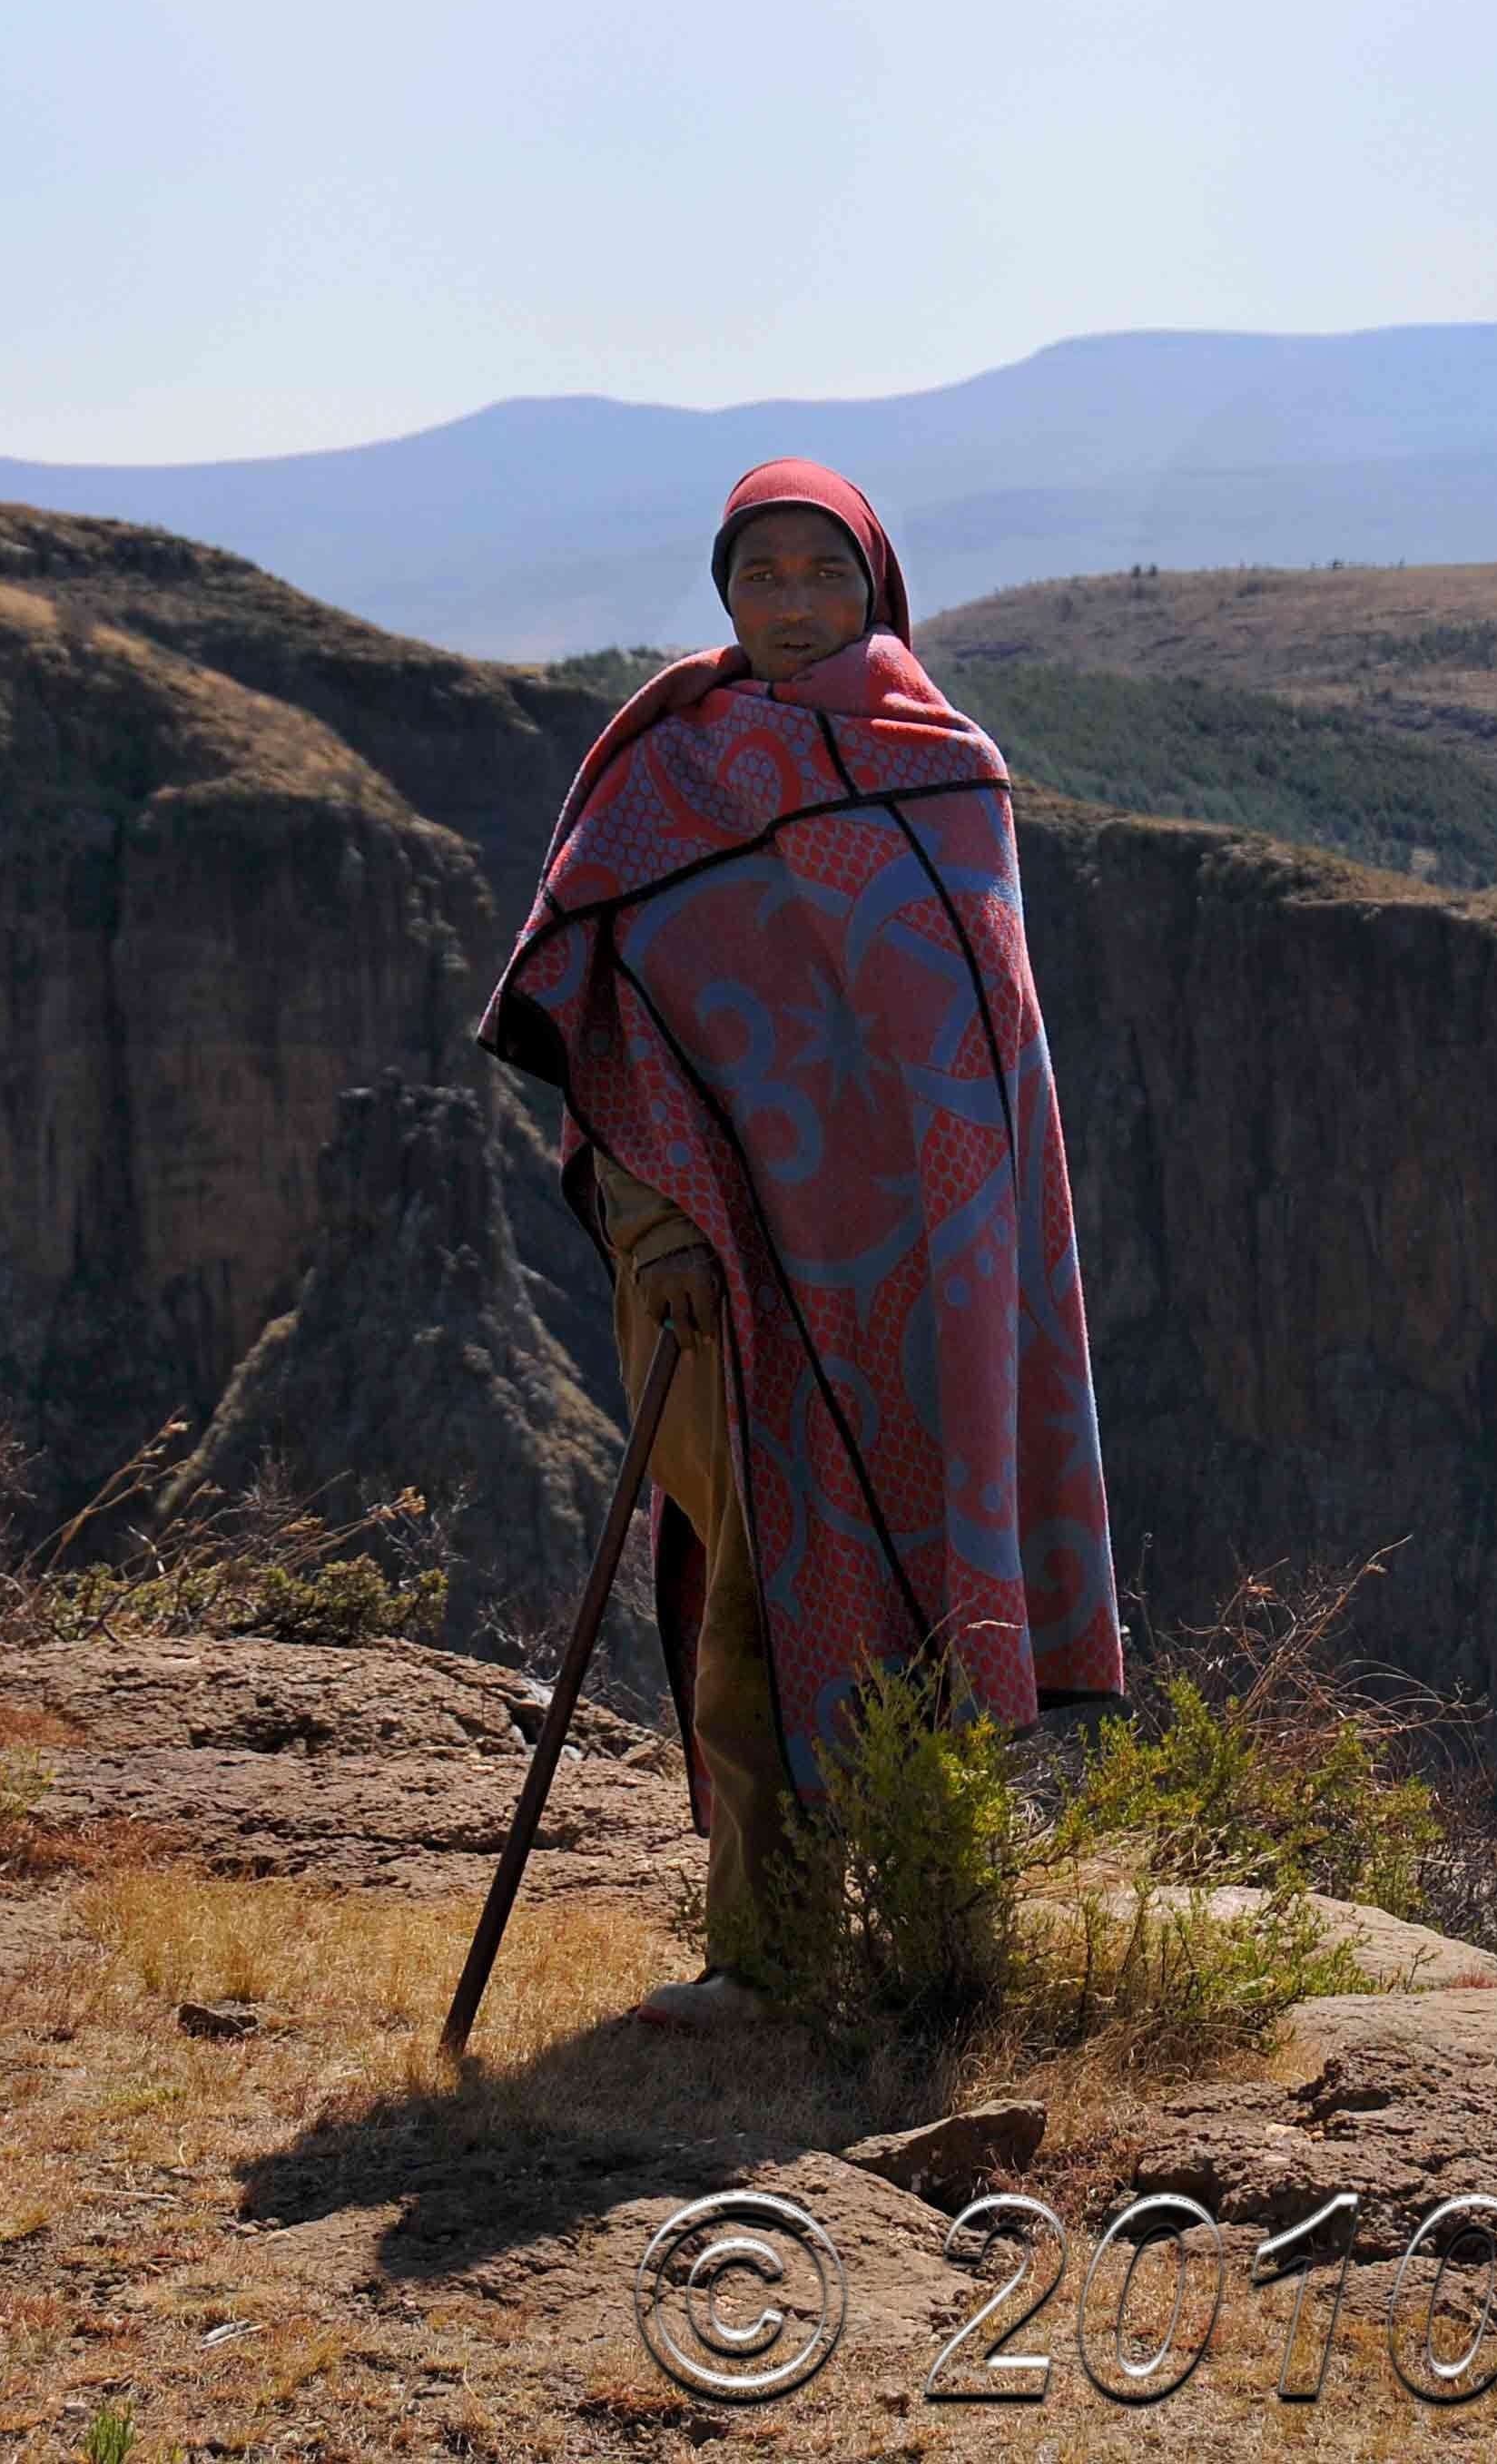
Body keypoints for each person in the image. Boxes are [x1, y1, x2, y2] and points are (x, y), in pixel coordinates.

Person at [476, 458, 1123, 2031]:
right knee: (759, 1582)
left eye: (820, 575)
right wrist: (655, 1218)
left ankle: (933, 1938)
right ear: (722, 590)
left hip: (926, 1267)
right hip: (720, 1263)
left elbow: (985, 1052)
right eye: (760, 576)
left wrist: (959, 1244)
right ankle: (763, 1955)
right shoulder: (662, 771)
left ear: (877, 584)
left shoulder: (947, 774)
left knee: (925, 1576)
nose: (791, 606)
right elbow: (598, 1012)